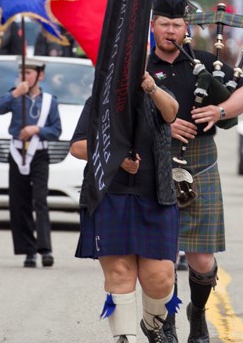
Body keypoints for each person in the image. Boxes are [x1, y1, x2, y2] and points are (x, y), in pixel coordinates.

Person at [146, 0, 243, 343]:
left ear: (186, 29)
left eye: (177, 25)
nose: (171, 31)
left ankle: (198, 313)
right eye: (164, 24)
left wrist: (218, 112)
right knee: (161, 256)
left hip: (200, 161)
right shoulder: (143, 67)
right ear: (153, 27)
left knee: (203, 259)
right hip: (156, 162)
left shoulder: (204, 63)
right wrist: (164, 127)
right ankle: (166, 322)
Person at [71, 69, 180, 343]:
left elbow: (172, 113)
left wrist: (152, 88)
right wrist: (116, 158)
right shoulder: (99, 100)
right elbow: (77, 147)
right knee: (120, 272)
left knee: (161, 276)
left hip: (155, 195)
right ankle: (124, 337)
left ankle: (152, 325)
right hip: (110, 196)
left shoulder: (157, 92)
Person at [0, 58, 62, 268]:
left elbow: (57, 131)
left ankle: (45, 249)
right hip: (16, 153)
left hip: (39, 155)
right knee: (19, 202)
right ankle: (28, 250)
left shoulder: (49, 101)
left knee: (40, 200)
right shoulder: (14, 96)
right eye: (22, 71)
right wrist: (15, 94)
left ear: (40, 75)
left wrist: (37, 130)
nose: (25, 76)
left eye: (29, 72)